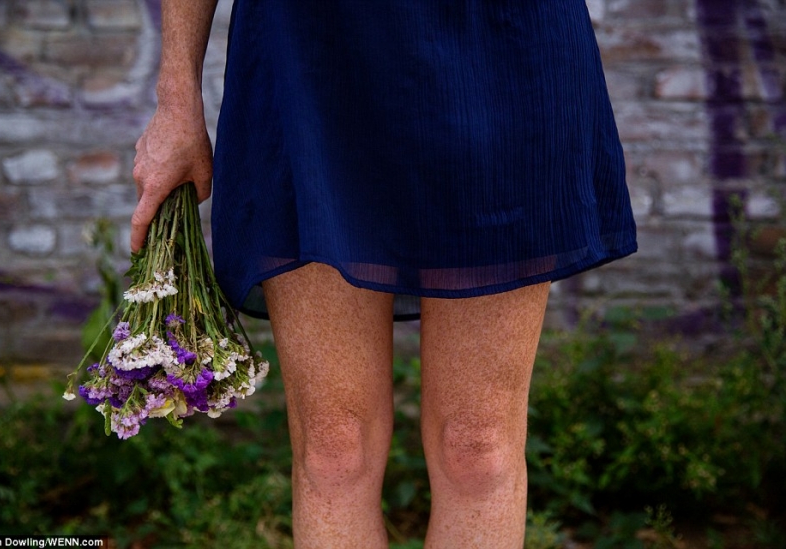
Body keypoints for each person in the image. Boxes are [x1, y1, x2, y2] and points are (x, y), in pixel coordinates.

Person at [131, 1, 637, 547]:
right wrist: (176, 101)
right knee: (334, 451)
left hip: (501, 45)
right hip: (307, 58)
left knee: (477, 451)